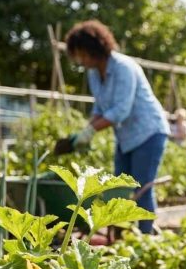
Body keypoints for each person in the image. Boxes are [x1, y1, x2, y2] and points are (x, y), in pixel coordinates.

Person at [65, 20, 169, 234]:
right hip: (126, 137)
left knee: (142, 188)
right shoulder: (94, 74)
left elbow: (121, 110)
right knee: (118, 189)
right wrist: (84, 132)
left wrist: (91, 130)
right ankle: (120, 239)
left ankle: (146, 237)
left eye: (83, 54)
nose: (81, 60)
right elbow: (100, 108)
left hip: (149, 132)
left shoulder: (123, 67)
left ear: (95, 48)